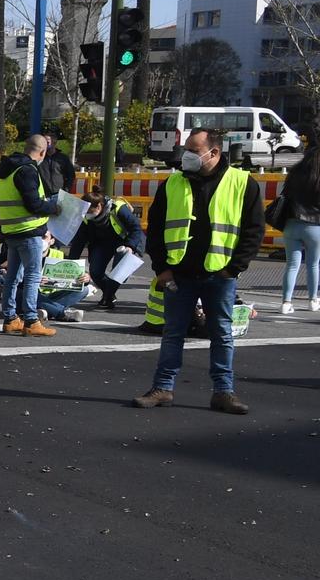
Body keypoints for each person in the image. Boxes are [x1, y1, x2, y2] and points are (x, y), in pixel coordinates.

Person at [132, 127, 265, 414]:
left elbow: (254, 230)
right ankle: (162, 388)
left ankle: (223, 392)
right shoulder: (173, 184)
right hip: (180, 274)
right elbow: (154, 229)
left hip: (220, 275)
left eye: (193, 150)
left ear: (214, 152)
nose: (186, 156)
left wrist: (234, 268)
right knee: (173, 333)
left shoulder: (242, 183)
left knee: (221, 334)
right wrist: (162, 269)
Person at [0, 133, 62, 338]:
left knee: (13, 278)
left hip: (11, 231)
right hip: (29, 230)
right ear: (41, 152)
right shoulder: (27, 170)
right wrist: (53, 208)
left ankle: (10, 318)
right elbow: (34, 204)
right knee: (32, 277)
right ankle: (31, 320)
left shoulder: (7, 169)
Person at [69, 191, 146, 311]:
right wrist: (71, 262)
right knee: (95, 272)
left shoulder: (118, 208)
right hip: (102, 243)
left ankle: (108, 297)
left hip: (124, 243)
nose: (87, 215)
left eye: (90, 212)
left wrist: (130, 246)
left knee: (119, 273)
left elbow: (136, 228)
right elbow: (79, 241)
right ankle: (108, 293)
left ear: (99, 206)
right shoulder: (85, 217)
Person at [271, 149, 320, 313]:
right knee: (313, 264)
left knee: (292, 265)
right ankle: (313, 300)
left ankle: (286, 302)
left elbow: (284, 196)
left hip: (291, 224)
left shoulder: (294, 175)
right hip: (315, 227)